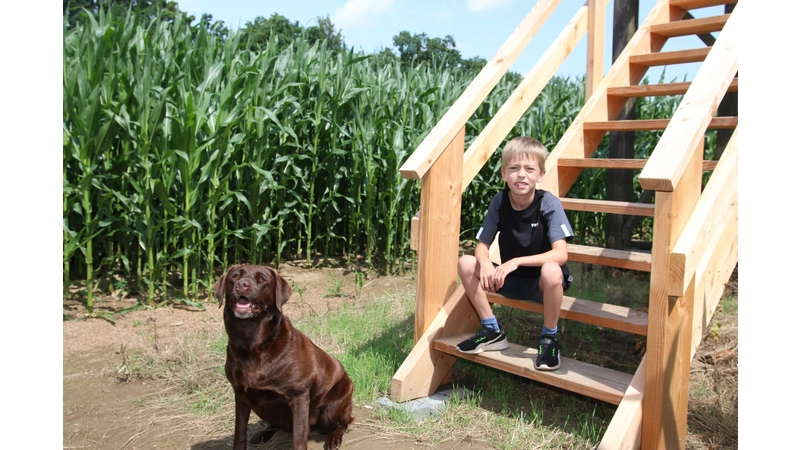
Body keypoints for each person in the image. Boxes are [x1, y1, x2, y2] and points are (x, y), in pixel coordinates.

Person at [455, 136, 574, 371]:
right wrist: (486, 264)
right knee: (467, 262)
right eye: (514, 168)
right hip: (507, 279)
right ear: (503, 174)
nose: (521, 174)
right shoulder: (499, 201)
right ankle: (492, 330)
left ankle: (549, 339)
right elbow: (481, 245)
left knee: (551, 270)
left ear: (540, 175)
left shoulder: (548, 203)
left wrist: (516, 262)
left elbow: (561, 255)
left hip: (543, 285)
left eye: (530, 169)